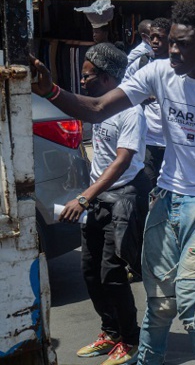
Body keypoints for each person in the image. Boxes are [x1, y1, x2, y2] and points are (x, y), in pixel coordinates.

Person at [30, 0, 195, 365]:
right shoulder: (158, 72)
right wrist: (51, 92)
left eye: (183, 44)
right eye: (171, 41)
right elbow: (98, 107)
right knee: (159, 304)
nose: (173, 50)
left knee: (193, 307)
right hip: (167, 200)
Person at [59, 43, 151, 365]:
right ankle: (110, 332)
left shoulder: (130, 111)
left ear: (108, 78)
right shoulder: (99, 107)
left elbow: (123, 161)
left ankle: (131, 339)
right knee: (89, 272)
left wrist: (85, 196)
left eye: (88, 77)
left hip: (124, 196)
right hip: (98, 196)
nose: (83, 82)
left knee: (112, 273)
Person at [123, 17, 172, 188]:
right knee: (148, 184)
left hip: (173, 141)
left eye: (160, 37)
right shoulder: (141, 63)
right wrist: (142, 97)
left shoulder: (180, 66)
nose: (155, 41)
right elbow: (124, 90)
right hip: (148, 139)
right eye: (153, 37)